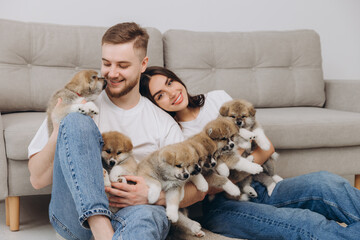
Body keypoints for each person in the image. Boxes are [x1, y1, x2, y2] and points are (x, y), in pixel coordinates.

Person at [140, 66, 360, 240]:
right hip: (223, 206)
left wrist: (236, 166)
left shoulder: (218, 99)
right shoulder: (173, 135)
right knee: (304, 223)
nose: (172, 93)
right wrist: (241, 158)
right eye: (160, 95)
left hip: (259, 183)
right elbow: (206, 188)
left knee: (326, 183)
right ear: (155, 105)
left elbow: (266, 147)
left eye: (170, 82)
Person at [28, 22, 197, 240]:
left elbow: (196, 189)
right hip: (76, 217)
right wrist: (58, 132)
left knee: (149, 216)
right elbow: (37, 179)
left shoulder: (163, 124)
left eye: (123, 65)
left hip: (134, 214)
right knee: (77, 121)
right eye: (106, 64)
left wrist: (153, 196)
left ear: (143, 64)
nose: (112, 73)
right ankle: (102, 232)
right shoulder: (79, 104)